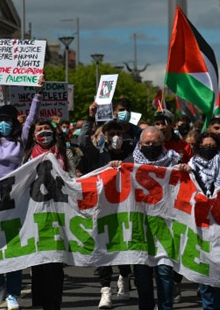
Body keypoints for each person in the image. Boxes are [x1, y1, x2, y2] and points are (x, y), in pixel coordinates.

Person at [0, 71, 44, 310]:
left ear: (14, 123)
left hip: (15, 202)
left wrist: (38, 94)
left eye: (9, 120)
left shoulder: (21, 142)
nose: (4, 123)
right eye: (1, 119)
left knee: (14, 248)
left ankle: (12, 292)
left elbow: (32, 120)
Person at [112, 126, 180, 310]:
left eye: (155, 143)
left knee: (165, 273)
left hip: (165, 225)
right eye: (147, 143)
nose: (151, 146)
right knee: (142, 274)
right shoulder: (129, 162)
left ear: (162, 143)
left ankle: (166, 307)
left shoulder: (174, 162)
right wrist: (114, 169)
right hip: (140, 227)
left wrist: (186, 170)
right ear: (139, 144)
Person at [79, 103, 134, 309]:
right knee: (103, 248)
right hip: (103, 209)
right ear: (105, 136)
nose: (116, 136)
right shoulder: (98, 156)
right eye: (111, 133)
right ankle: (105, 291)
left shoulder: (131, 153)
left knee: (124, 246)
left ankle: (125, 279)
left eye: (118, 132)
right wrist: (89, 118)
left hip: (126, 207)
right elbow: (83, 142)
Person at [22, 118, 74, 310]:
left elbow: (73, 177)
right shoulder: (28, 154)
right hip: (35, 213)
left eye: (46, 128)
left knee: (55, 263)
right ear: (34, 134)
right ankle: (40, 304)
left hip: (60, 212)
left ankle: (54, 304)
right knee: (38, 263)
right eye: (39, 129)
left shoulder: (65, 153)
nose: (43, 132)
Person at [186, 132, 220, 310]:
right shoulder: (190, 166)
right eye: (205, 145)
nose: (209, 149)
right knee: (204, 268)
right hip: (201, 222)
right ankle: (209, 306)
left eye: (212, 146)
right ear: (198, 147)